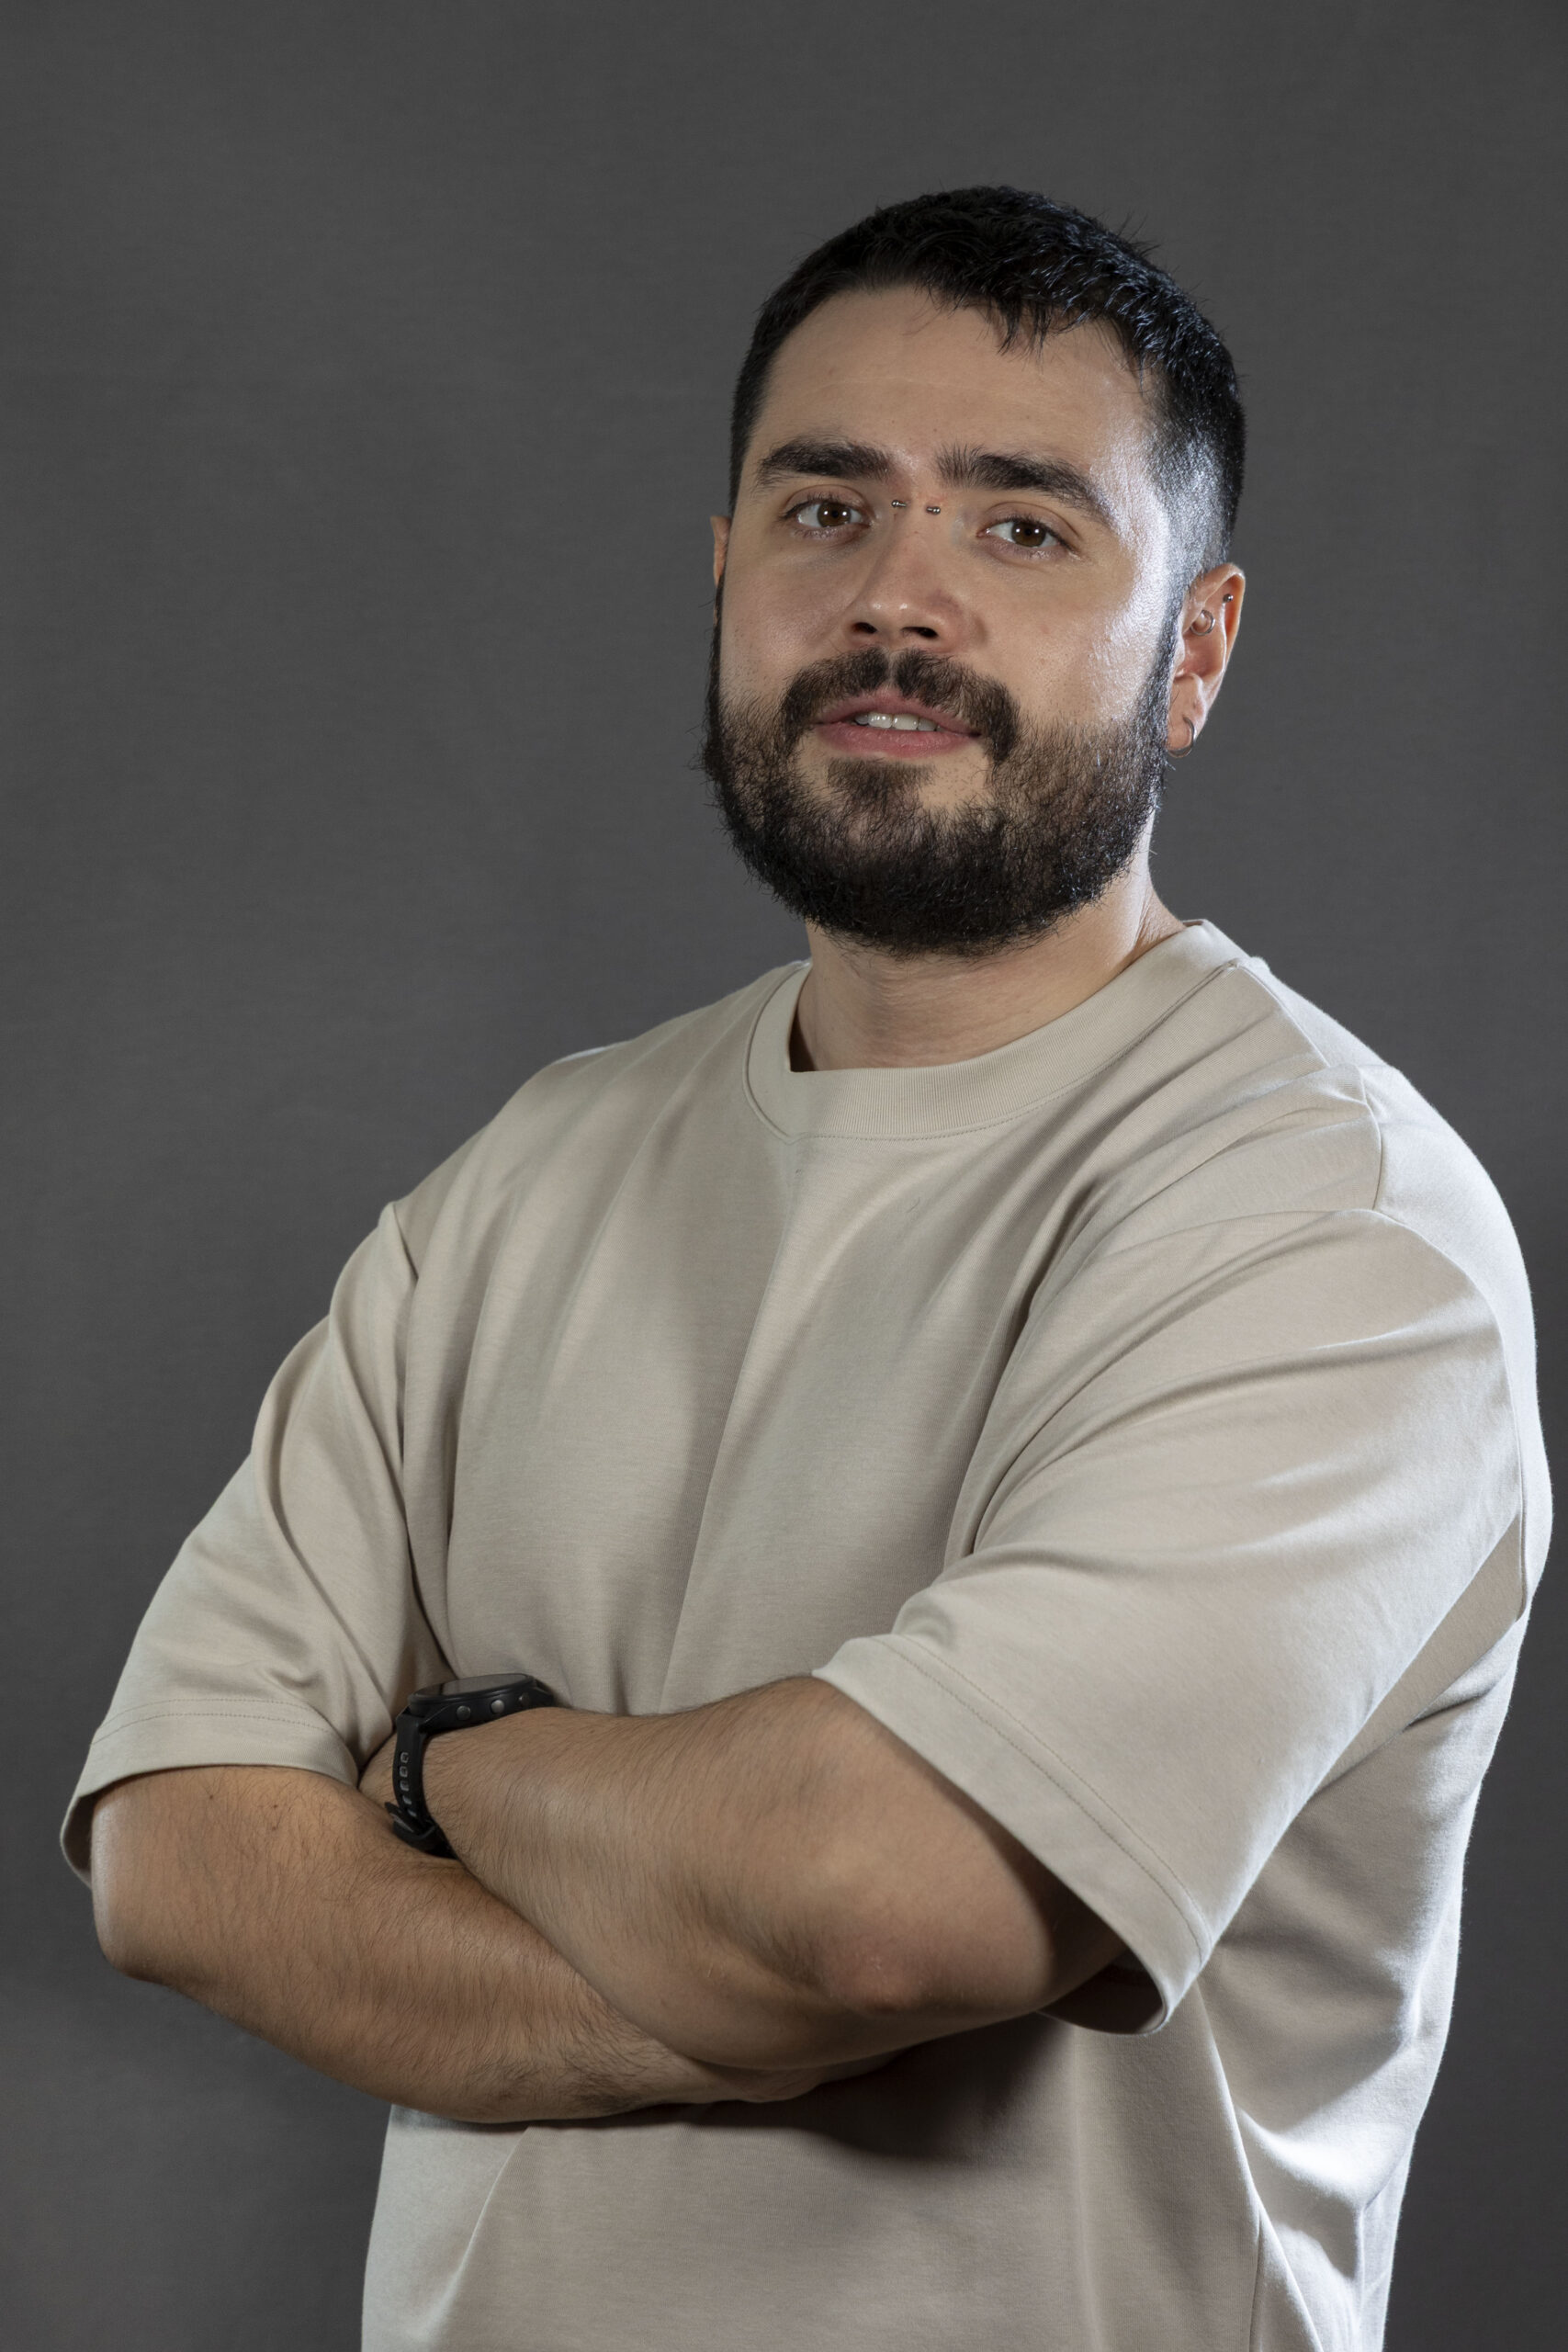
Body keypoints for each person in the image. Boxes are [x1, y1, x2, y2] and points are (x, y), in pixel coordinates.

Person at [66, 187, 1546, 2352]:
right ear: (726, 571)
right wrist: (735, 1984)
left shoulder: (1324, 1219)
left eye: (1020, 525)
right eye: (823, 508)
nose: (893, 599)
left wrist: (439, 1766)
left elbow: (881, 1905)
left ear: (1194, 648)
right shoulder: (533, 1172)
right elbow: (177, 1853)